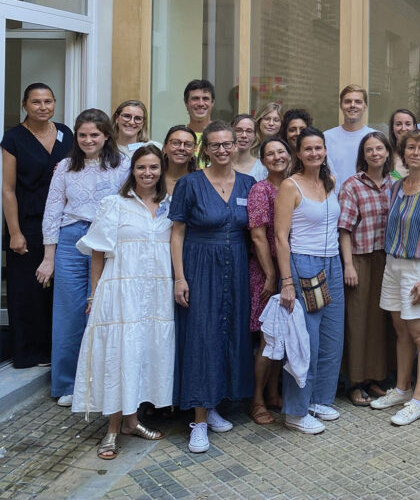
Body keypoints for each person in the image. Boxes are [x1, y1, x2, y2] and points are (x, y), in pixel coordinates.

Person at [72, 145, 173, 458]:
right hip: (119, 292)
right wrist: (94, 292)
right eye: (141, 167)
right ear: (133, 171)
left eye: (153, 167)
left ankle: (132, 421)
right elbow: (98, 251)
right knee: (120, 355)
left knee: (143, 354)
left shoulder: (170, 205)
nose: (147, 173)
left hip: (156, 295)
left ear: (161, 170)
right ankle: (113, 429)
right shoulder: (113, 204)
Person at [170, 121, 256, 453]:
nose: (222, 150)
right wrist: (180, 277)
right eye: (215, 145)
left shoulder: (249, 184)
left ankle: (215, 403)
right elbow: (176, 233)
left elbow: (257, 233)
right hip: (199, 265)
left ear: (237, 146)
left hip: (235, 267)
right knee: (202, 336)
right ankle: (198, 422)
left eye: (227, 144)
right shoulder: (189, 184)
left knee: (227, 333)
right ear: (204, 150)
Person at [42, 108, 128, 405]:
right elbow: (52, 211)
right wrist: (48, 257)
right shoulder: (65, 166)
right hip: (70, 239)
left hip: (108, 241)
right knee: (68, 313)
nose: (88, 140)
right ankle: (67, 384)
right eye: (82, 135)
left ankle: (100, 382)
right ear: (75, 136)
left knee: (104, 309)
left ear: (107, 135)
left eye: (94, 134)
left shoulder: (123, 165)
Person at [369, 129, 420, 426]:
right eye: (410, 148)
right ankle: (402, 389)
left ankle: (419, 399)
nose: (415, 152)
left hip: (418, 268)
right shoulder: (398, 186)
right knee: (400, 331)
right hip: (393, 263)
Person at [274, 127, 345, 435]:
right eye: (308, 149)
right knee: (306, 341)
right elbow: (280, 236)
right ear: (299, 154)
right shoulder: (291, 186)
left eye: (319, 148)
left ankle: (318, 399)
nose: (314, 153)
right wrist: (287, 281)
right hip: (304, 264)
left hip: (333, 264)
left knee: (332, 336)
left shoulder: (330, 182)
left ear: (325, 151)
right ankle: (296, 410)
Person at [1, 83, 73, 368]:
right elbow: (7, 189)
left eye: (48, 101)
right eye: (36, 102)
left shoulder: (66, 133)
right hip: (28, 223)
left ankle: (54, 352)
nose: (43, 107)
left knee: (57, 291)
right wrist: (15, 232)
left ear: (54, 103)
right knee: (26, 289)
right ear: (24, 105)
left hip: (63, 223)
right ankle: (28, 353)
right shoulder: (13, 138)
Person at [339, 132, 394, 407]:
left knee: (379, 322)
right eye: (369, 149)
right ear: (364, 155)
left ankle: (375, 377)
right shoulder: (352, 185)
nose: (375, 153)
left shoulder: (395, 184)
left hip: (385, 259)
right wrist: (348, 264)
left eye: (380, 148)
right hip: (359, 259)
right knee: (357, 322)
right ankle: (355, 381)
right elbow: (344, 229)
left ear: (387, 152)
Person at [246, 136, 291, 425]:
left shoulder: (292, 185)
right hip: (265, 271)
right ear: (262, 161)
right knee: (267, 337)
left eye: (282, 152)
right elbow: (258, 236)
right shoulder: (260, 190)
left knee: (282, 335)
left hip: (288, 267)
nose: (277, 157)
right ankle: (257, 399)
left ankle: (274, 392)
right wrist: (271, 274)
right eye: (270, 154)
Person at [325, 85, 374, 183]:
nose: (352, 105)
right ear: (341, 106)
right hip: (333, 196)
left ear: (365, 107)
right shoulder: (326, 137)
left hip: (366, 196)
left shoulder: (375, 137)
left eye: (358, 102)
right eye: (348, 101)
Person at [162, 125, 198, 197]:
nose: (182, 148)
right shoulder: (153, 178)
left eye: (188, 145)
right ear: (165, 148)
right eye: (175, 143)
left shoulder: (201, 181)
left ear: (194, 150)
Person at [231, 114, 267, 180]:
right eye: (239, 130)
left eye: (249, 131)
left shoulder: (263, 169)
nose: (244, 135)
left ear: (255, 136)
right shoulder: (220, 165)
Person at [183, 80, 215, 147]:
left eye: (205, 98)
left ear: (212, 103)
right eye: (195, 98)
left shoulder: (223, 135)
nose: (201, 104)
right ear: (186, 103)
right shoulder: (179, 135)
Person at [388, 109, 417, 179]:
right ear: (392, 128)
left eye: (408, 124)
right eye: (398, 124)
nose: (403, 128)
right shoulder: (386, 156)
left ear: (414, 127)